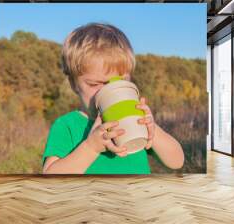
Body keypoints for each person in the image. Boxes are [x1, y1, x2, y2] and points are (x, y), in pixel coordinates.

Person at [42, 23, 184, 174]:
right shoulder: (67, 125)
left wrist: (153, 131)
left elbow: (177, 162)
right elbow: (51, 177)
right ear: (73, 84)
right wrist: (91, 147)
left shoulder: (134, 118)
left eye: (119, 81)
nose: (107, 90)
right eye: (95, 84)